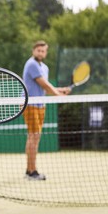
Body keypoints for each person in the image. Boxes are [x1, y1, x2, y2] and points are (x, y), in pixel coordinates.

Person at [22, 40, 70, 181]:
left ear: (46, 52)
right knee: (33, 136)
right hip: (30, 104)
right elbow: (44, 84)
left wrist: (60, 90)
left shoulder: (45, 68)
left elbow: (45, 88)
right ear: (33, 51)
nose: (41, 53)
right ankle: (32, 172)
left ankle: (29, 170)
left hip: (40, 105)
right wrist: (58, 94)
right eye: (39, 50)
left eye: (43, 51)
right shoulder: (31, 64)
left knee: (35, 137)